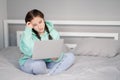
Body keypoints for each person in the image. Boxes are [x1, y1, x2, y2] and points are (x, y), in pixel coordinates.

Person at [19, 9, 75, 75]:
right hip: (33, 61)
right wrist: (28, 30)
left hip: (49, 62)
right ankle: (50, 71)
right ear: (30, 26)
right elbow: (29, 51)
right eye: (35, 25)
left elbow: (57, 52)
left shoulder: (54, 33)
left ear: (44, 20)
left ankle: (49, 74)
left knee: (70, 56)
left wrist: (56, 58)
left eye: (40, 22)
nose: (39, 26)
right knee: (39, 64)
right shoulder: (26, 35)